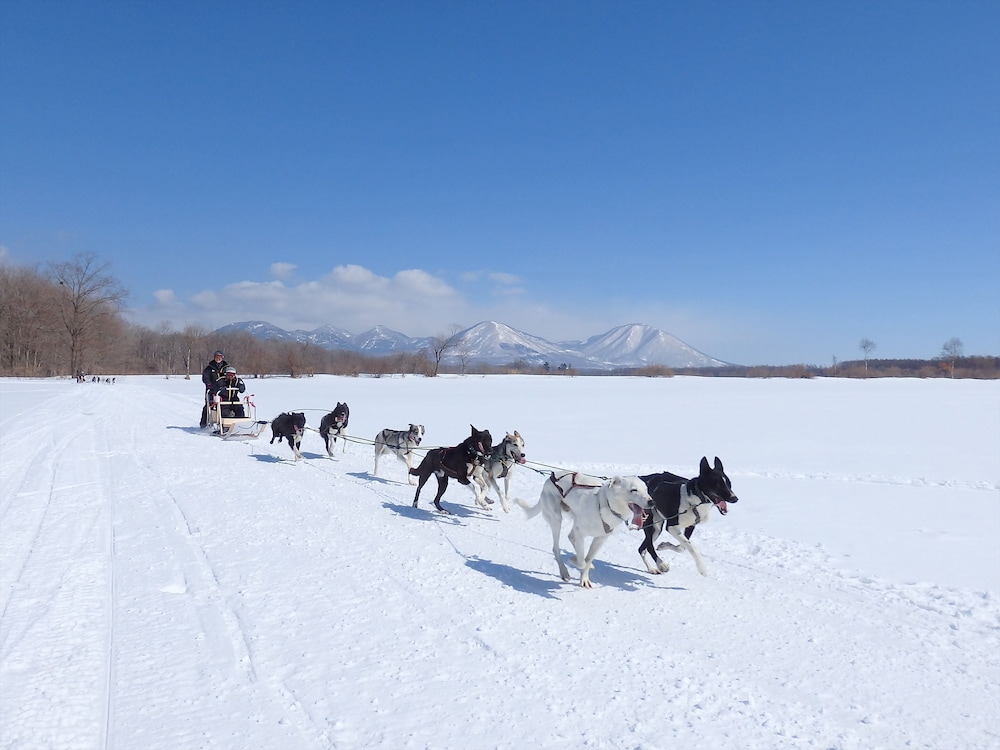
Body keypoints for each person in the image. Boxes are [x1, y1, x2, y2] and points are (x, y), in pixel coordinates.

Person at [200, 350, 228, 427]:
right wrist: (209, 384)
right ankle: (203, 423)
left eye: (220, 357)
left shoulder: (226, 367)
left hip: (224, 391)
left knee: (228, 405)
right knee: (208, 406)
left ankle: (227, 423)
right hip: (212, 391)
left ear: (222, 357)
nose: (218, 358)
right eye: (217, 357)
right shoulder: (209, 368)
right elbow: (205, 377)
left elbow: (230, 377)